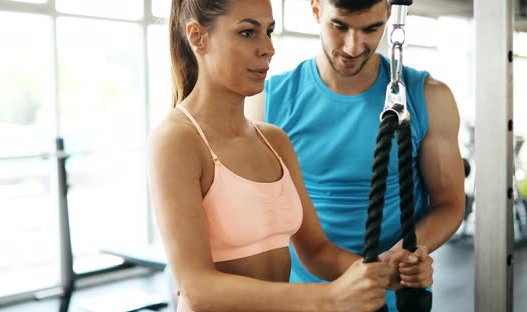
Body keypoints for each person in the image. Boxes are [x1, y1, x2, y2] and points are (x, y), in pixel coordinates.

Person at [149, 0, 434, 311]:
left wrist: (382, 270)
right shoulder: (176, 140)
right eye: (247, 33)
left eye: (269, 32)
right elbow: (197, 287)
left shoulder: (274, 139)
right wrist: (330, 298)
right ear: (197, 37)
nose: (267, 49)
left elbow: (317, 252)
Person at [245, 0, 465, 310]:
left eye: (371, 29)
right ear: (316, 9)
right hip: (304, 296)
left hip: (390, 294)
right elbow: (266, 219)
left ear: (389, 15)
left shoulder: (428, 97)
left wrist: (402, 256)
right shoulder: (269, 101)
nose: (353, 46)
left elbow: (449, 203)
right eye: (340, 26)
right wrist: (374, 271)